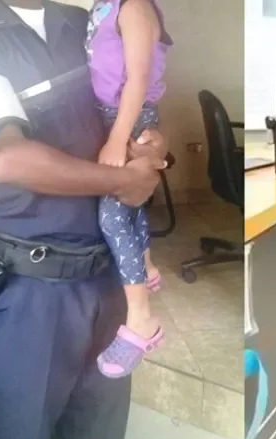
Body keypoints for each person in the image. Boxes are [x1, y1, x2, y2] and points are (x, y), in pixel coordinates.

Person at [0, 0, 168, 439]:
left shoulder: (83, 23)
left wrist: (153, 142)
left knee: (99, 432)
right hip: (35, 287)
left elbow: (132, 103)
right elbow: (7, 159)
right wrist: (121, 181)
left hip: (109, 274)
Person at [86, 0, 172, 378]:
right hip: (112, 116)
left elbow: (137, 79)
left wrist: (117, 139)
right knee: (129, 207)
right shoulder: (102, 7)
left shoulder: (133, 6)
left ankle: (141, 319)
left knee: (113, 214)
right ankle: (147, 265)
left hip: (129, 117)